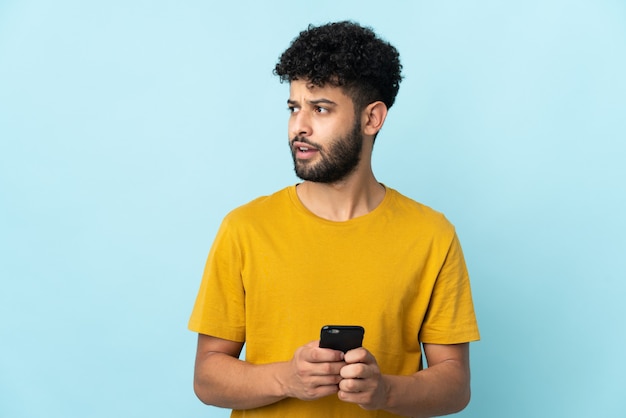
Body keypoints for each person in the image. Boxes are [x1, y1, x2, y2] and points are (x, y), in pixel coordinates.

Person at [188, 21, 480, 418]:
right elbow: (207, 377)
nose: (299, 127)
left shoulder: (432, 235)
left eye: (320, 108)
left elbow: (455, 384)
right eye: (294, 108)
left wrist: (385, 391)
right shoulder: (245, 229)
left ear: (372, 118)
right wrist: (286, 378)